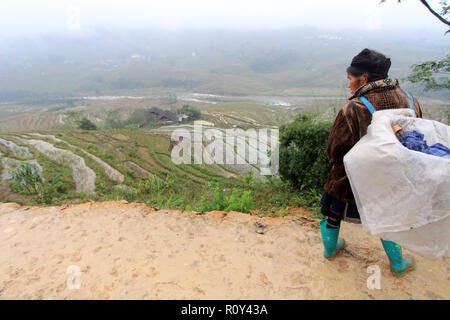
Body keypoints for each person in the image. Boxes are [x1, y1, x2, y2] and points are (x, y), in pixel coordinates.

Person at [319, 48, 423, 277]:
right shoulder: (410, 101)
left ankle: (330, 250)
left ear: (363, 78)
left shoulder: (354, 108)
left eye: (350, 79)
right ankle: (398, 263)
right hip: (393, 177)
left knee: (333, 213)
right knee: (387, 218)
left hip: (353, 179)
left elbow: (335, 150)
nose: (349, 86)